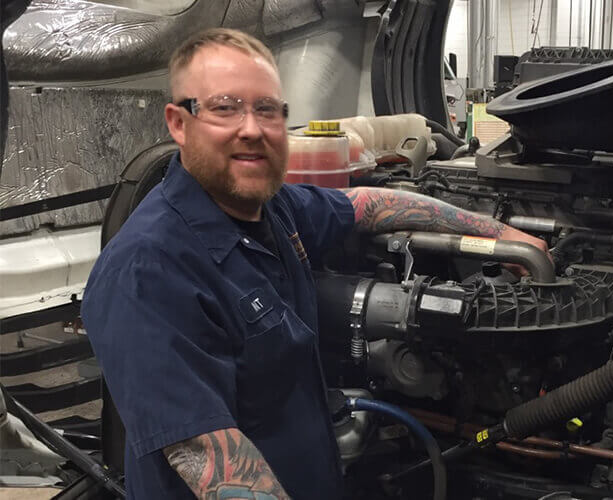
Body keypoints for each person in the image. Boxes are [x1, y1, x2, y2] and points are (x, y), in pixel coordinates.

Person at [81, 28, 548, 500]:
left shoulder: (272, 208)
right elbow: (213, 464)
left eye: (267, 109)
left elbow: (366, 205)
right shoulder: (145, 272)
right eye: (225, 107)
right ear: (179, 123)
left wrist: (500, 234)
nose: (252, 128)